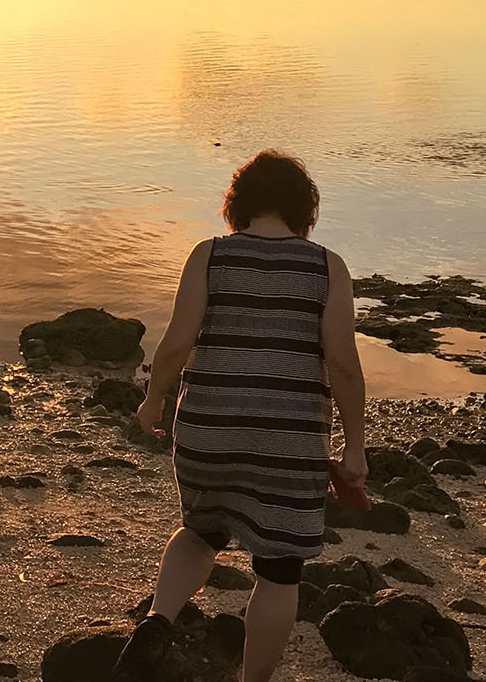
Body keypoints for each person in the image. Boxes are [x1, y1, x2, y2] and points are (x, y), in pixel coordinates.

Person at [114, 151, 366, 681]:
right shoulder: (327, 266)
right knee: (278, 571)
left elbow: (177, 342)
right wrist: (354, 446)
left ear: (238, 205)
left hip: (208, 427)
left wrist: (153, 399)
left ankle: (159, 618)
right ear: (305, 208)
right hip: (290, 439)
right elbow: (342, 363)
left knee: (200, 532)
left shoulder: (210, 255)